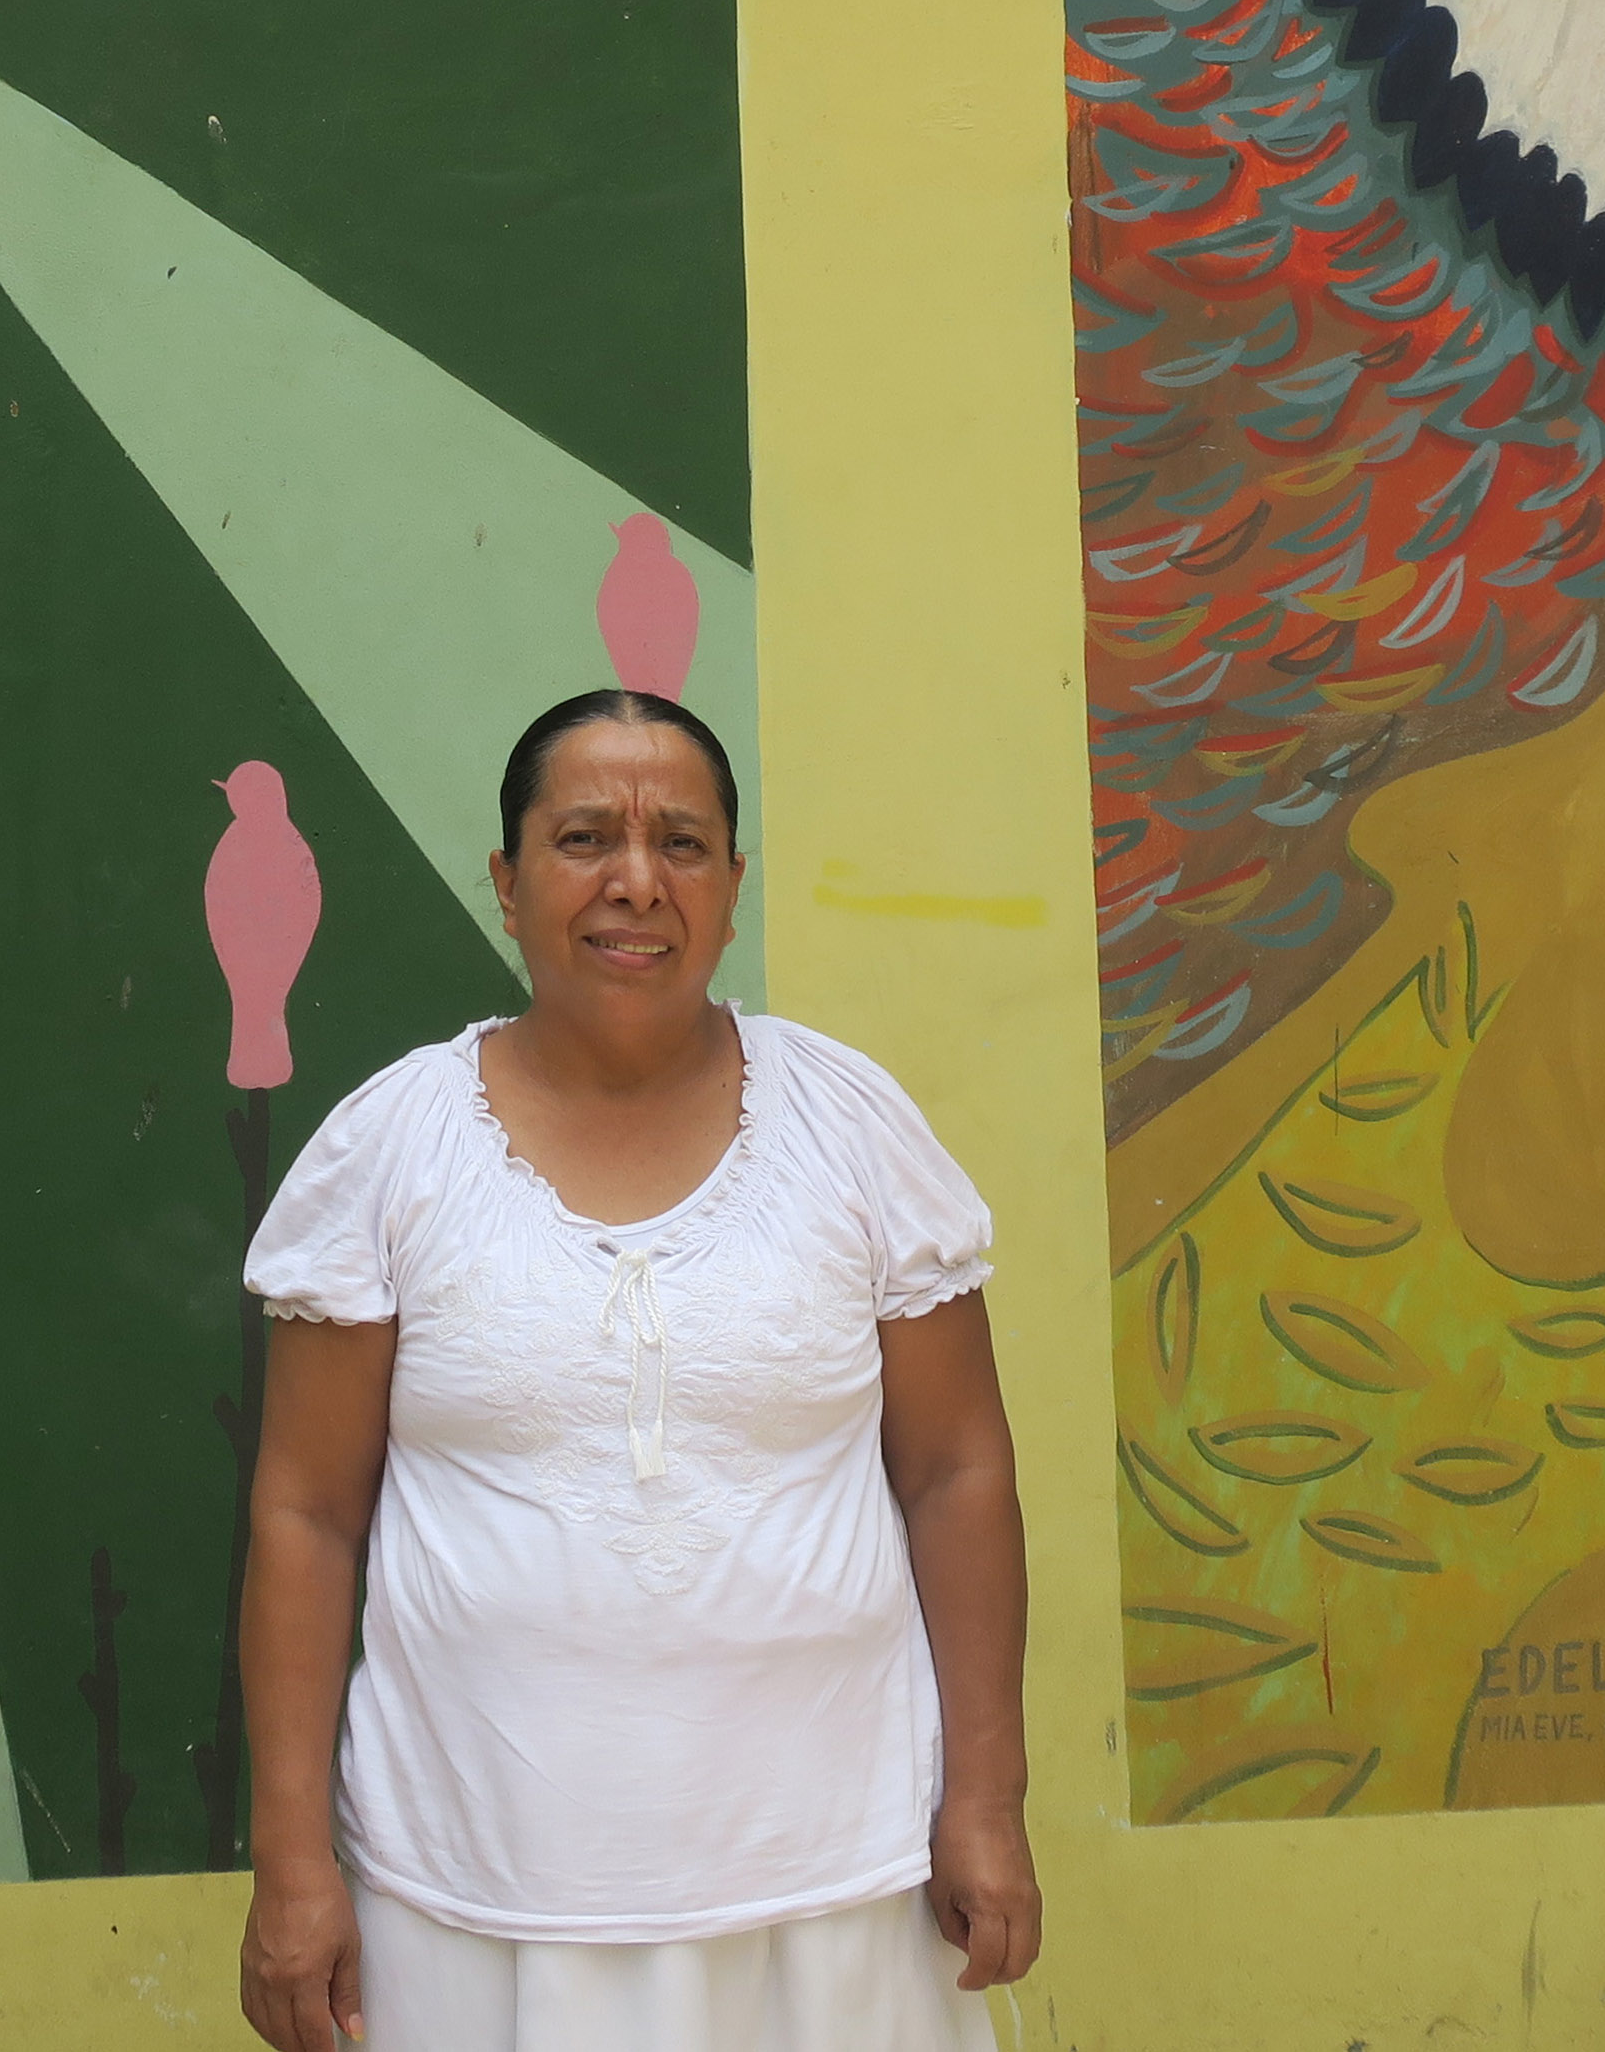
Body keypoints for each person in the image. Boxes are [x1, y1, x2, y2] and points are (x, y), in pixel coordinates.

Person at [231, 692, 1037, 2052]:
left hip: (835, 1880)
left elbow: (958, 1471)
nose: (634, 880)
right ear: (504, 879)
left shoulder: (850, 1126)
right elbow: (304, 1515)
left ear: (732, 887)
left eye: (681, 840)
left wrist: (987, 1800)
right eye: (583, 836)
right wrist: (294, 1867)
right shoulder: (390, 1150)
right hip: (475, 1896)